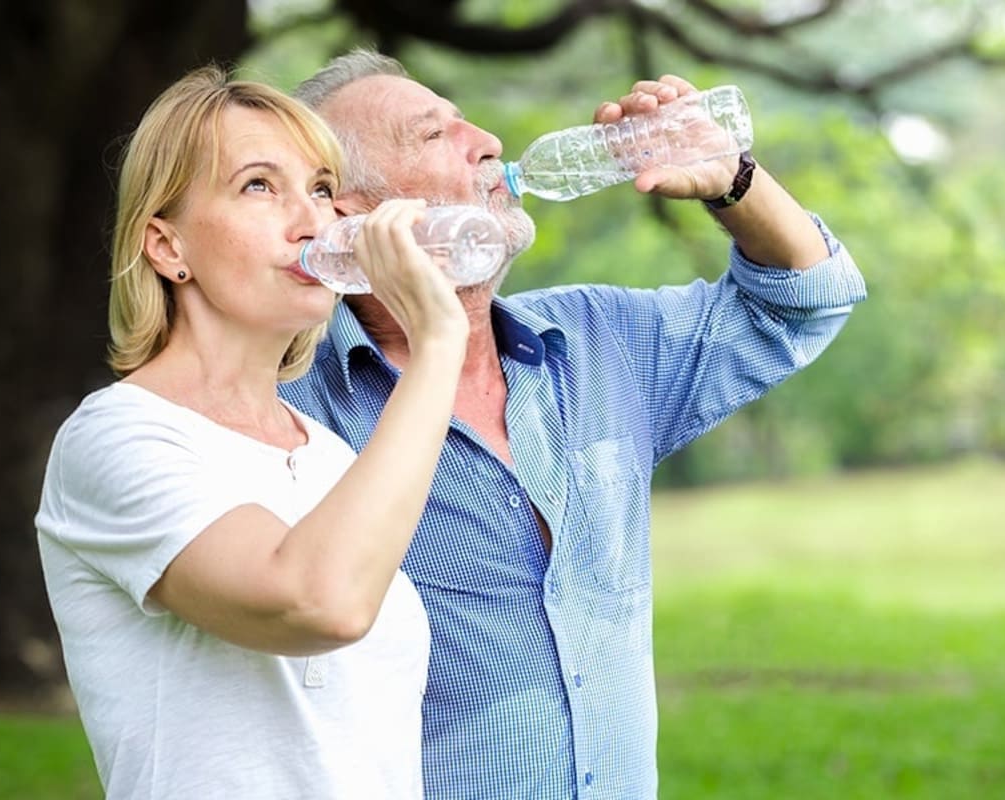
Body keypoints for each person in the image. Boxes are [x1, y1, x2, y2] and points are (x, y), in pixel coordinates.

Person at [283, 49, 868, 799]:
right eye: (434, 136)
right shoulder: (296, 409)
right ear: (350, 215)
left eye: (469, 122)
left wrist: (734, 181)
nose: (487, 142)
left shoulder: (599, 340)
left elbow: (808, 298)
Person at [34, 65, 470, 799]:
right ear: (167, 248)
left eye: (323, 188)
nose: (312, 222)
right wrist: (435, 344)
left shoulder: (329, 454)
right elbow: (318, 601)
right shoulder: (113, 439)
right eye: (259, 186)